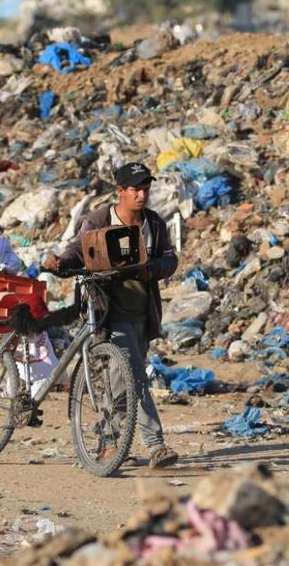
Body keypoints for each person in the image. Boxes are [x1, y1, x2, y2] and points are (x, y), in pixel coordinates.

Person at [43, 162, 180, 469]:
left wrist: (151, 269)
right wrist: (61, 261)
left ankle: (109, 444)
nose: (142, 195)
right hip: (108, 313)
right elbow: (79, 249)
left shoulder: (154, 224)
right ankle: (156, 445)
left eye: (146, 189)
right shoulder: (100, 220)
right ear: (120, 191)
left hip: (142, 314)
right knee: (133, 375)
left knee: (121, 382)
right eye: (136, 190)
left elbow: (170, 259)